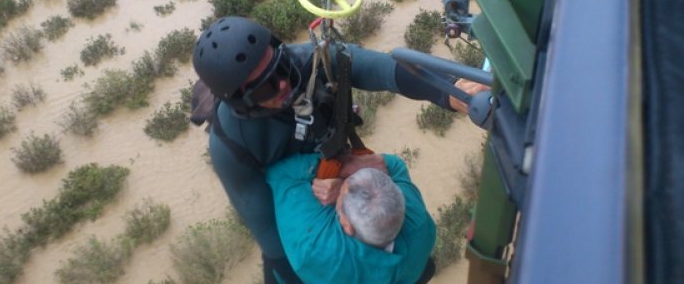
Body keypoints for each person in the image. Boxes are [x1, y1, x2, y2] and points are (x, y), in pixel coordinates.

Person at [192, 16, 485, 283]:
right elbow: (270, 234)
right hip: (294, 202)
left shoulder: (313, 63)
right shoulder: (231, 144)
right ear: (242, 103)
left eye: (280, 67)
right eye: (266, 88)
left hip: (335, 172)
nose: (283, 84)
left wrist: (449, 91)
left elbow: (380, 68)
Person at [266, 152, 436, 284]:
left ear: (347, 226)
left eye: (339, 197)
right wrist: (348, 176)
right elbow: (395, 166)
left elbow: (278, 173)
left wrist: (340, 169)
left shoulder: (315, 247)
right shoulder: (418, 221)